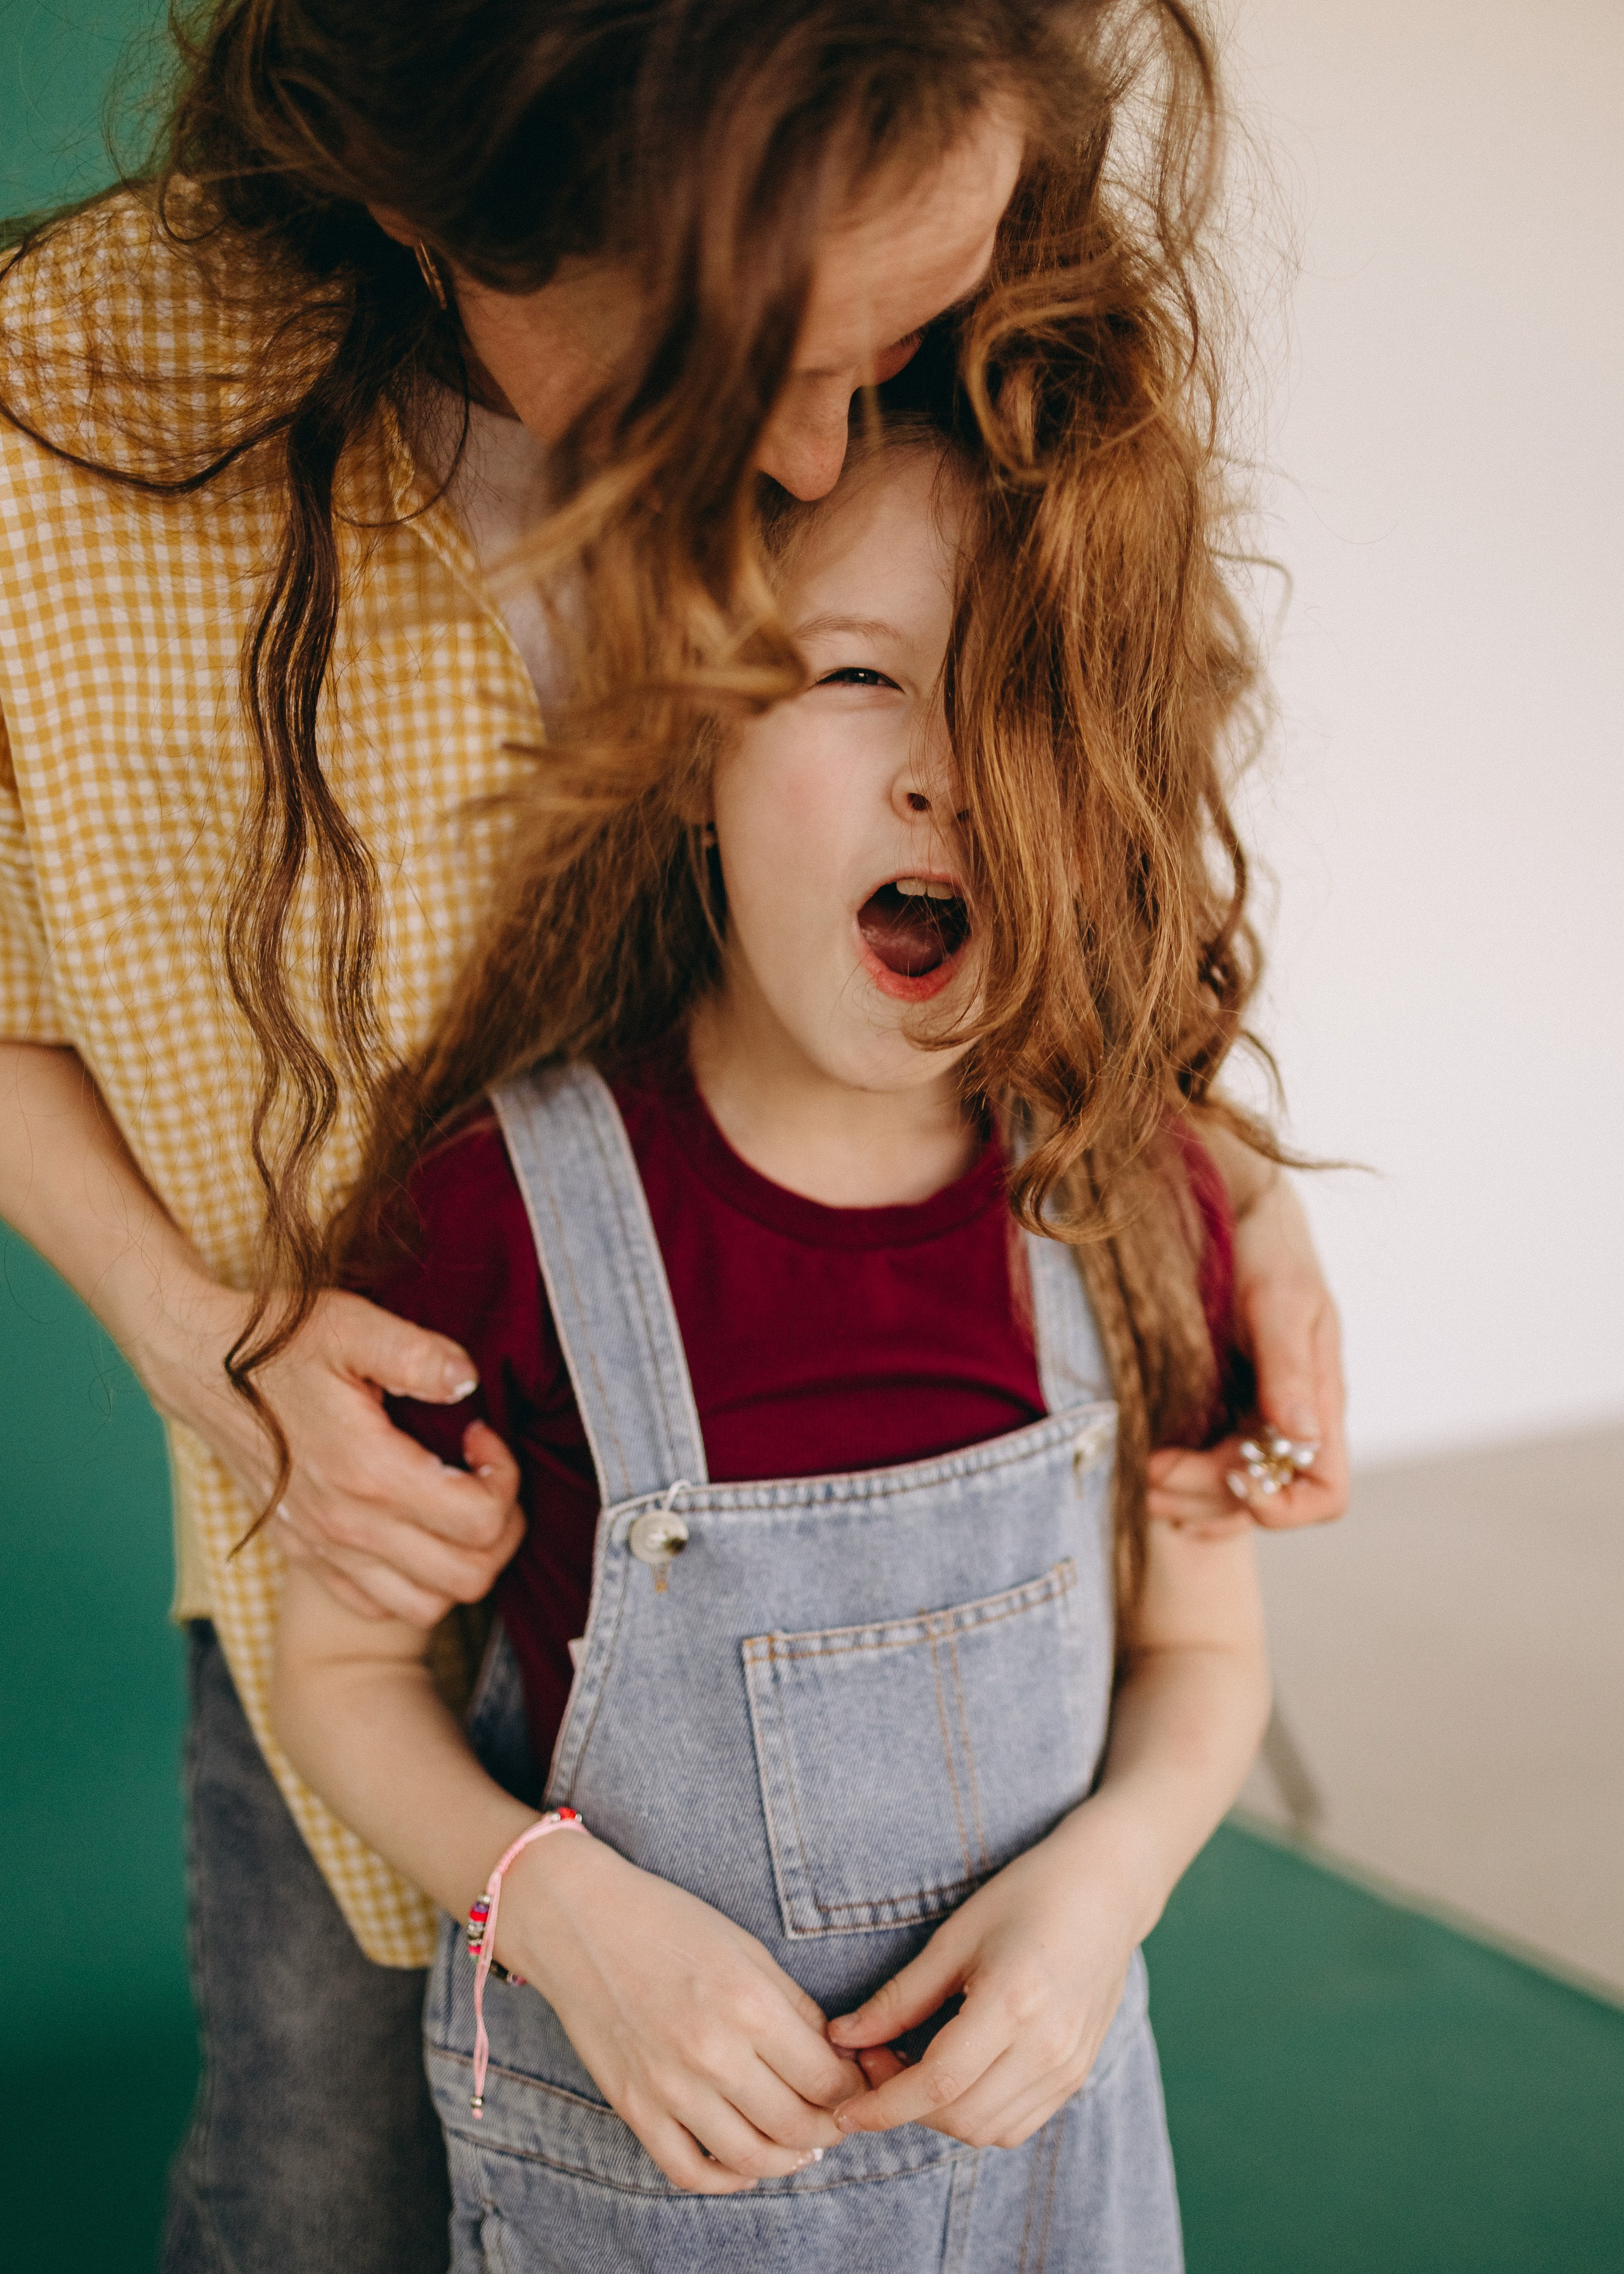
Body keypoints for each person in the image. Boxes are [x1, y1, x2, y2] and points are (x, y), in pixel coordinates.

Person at [0, 4, 1344, 2269]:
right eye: (756, 366)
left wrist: (1219, 1167)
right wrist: (201, 1336)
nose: (823, 450)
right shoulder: (67, 426)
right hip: (362, 1612)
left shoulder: (946, 335)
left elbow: (1083, 749)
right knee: (318, 2190)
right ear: (458, 202)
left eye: (889, 344)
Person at [273, 403, 1274, 2271]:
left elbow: (1206, 1649)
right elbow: (335, 1679)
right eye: (857, 675)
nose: (947, 776)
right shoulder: (500, 1213)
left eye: (1025, 701)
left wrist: (1106, 1891)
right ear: (689, 745)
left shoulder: (1140, 1198)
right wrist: (557, 1911)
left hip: (1055, 2179)